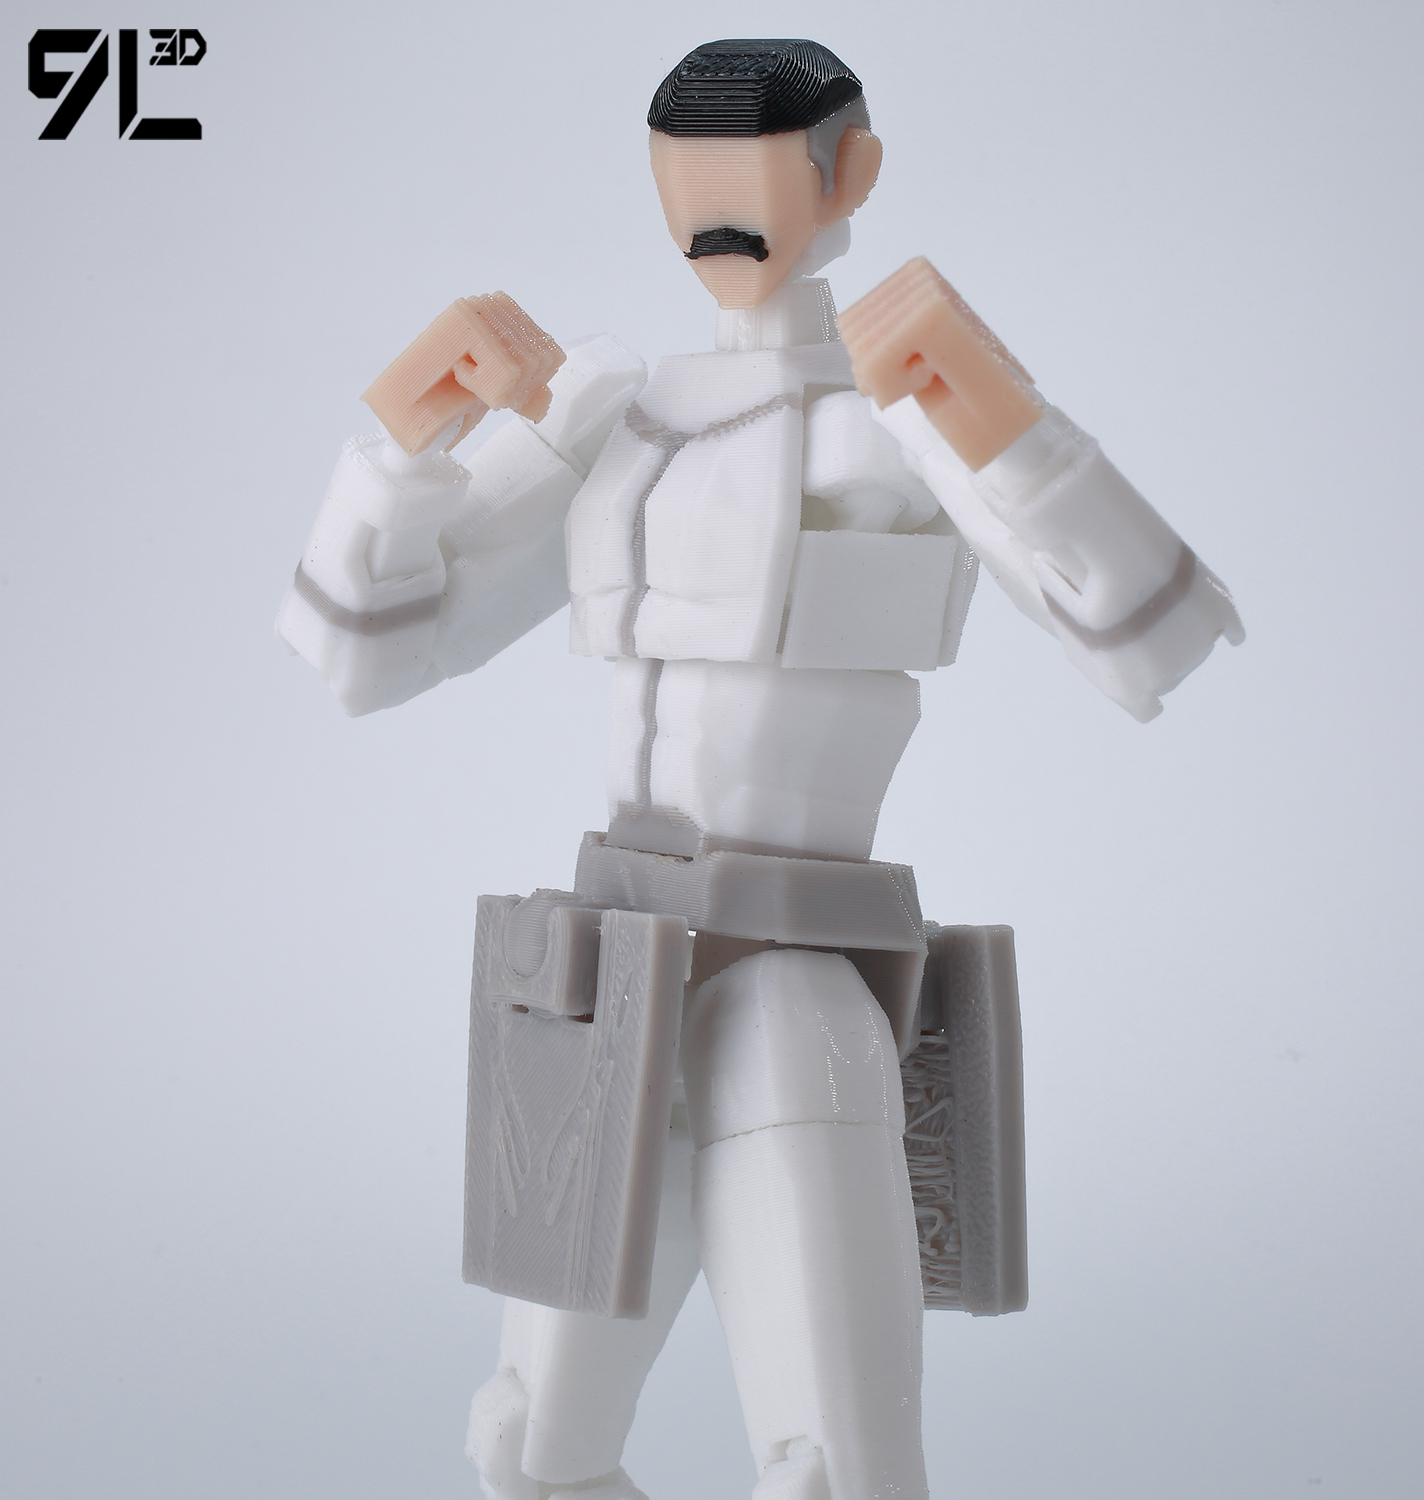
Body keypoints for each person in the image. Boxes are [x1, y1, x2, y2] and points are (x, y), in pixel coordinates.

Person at [276, 38, 1242, 1500]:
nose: (714, 218)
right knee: (527, 1446)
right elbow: (372, 656)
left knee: (828, 1466)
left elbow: (1146, 636)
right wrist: (406, 452)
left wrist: (1009, 430)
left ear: (849, 176)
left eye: (751, 178)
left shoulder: (890, 425)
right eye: (684, 182)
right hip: (608, 971)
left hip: (792, 975)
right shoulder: (616, 413)